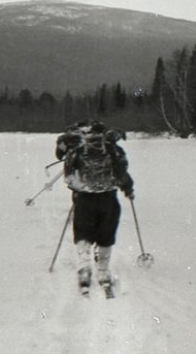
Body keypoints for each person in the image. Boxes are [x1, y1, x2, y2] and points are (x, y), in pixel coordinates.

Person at [55, 120, 134, 294]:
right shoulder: (111, 147)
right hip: (108, 197)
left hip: (84, 197)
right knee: (106, 233)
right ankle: (103, 271)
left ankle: (84, 269)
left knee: (83, 232)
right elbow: (121, 170)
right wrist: (128, 189)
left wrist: (75, 188)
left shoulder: (77, 146)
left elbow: (63, 161)